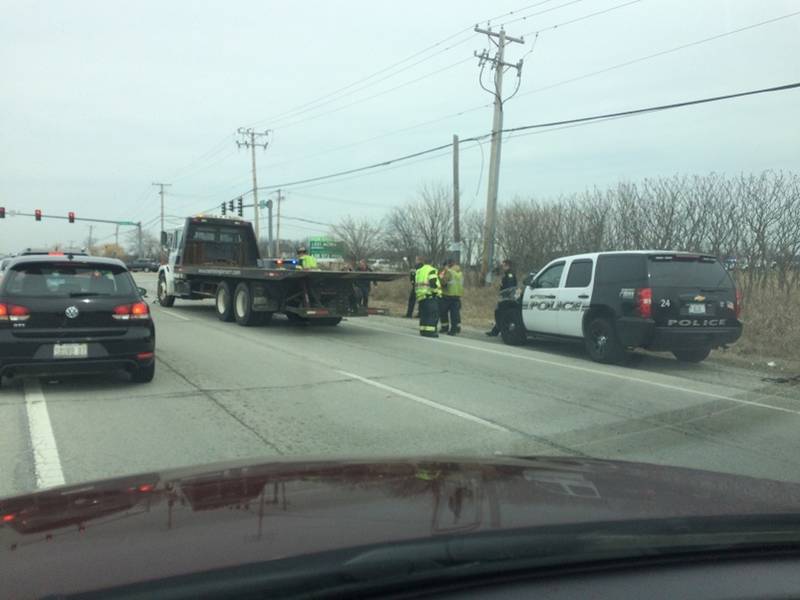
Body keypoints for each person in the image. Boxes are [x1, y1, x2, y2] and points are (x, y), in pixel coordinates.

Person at [486, 259, 518, 337]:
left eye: (503, 265)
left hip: (507, 298)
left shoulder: (510, 275)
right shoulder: (507, 274)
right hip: (506, 297)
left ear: (507, 266)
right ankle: (495, 331)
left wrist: (505, 294)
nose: (502, 267)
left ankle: (498, 331)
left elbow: (510, 288)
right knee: (501, 314)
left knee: (501, 314)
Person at [415, 256, 442, 338]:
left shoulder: (419, 271)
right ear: (432, 263)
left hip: (420, 296)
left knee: (424, 314)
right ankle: (430, 332)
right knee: (432, 314)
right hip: (429, 295)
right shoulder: (431, 270)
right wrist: (435, 292)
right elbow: (433, 282)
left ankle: (423, 330)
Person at [439, 258, 463, 335]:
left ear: (448, 264)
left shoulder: (449, 272)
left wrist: (443, 272)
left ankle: (444, 327)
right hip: (457, 295)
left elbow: (442, 281)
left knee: (443, 312)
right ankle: (455, 329)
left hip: (447, 295)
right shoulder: (460, 272)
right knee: (455, 314)